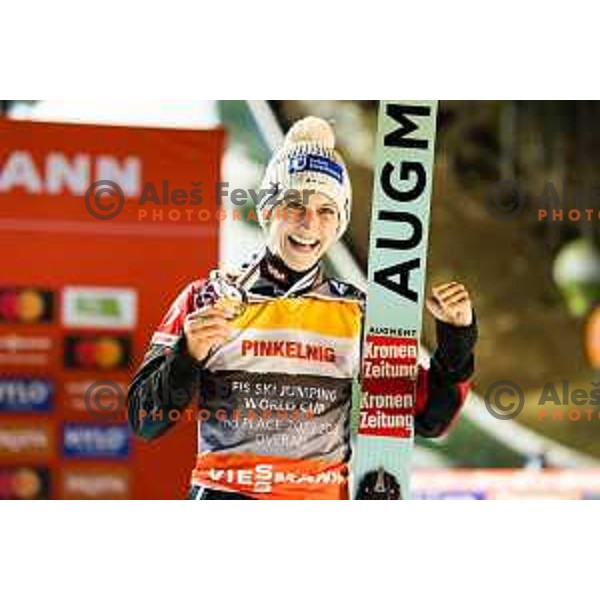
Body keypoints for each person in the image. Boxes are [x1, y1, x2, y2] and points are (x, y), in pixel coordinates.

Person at [127, 116, 478, 500]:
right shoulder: (207, 297)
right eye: (294, 204)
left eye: (327, 210)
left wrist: (456, 338)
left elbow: (430, 420)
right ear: (268, 210)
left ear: (339, 223)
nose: (309, 222)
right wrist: (187, 355)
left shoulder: (356, 312)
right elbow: (145, 421)